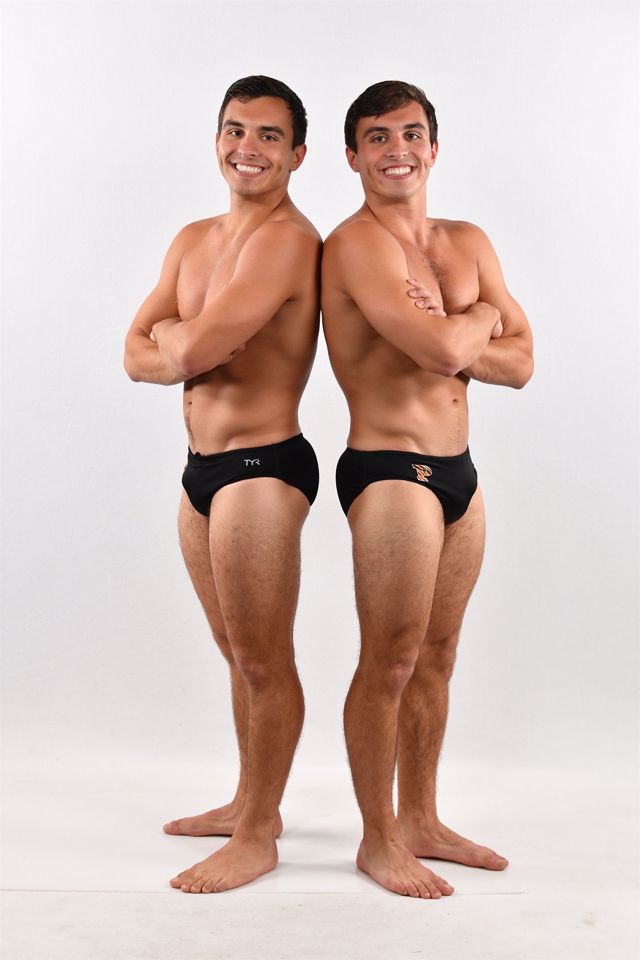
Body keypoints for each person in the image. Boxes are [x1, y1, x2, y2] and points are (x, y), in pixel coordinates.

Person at [321, 80, 533, 899]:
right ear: (352, 157)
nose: (397, 149)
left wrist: (456, 324)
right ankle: (378, 839)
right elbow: (445, 353)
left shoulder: (467, 241)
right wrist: (475, 324)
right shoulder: (355, 245)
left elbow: (522, 362)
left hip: (459, 474)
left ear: (434, 148)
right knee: (393, 660)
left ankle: (420, 817)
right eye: (377, 137)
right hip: (389, 471)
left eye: (411, 134)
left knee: (438, 657)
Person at [123, 75, 322, 894]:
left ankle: (256, 836)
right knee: (236, 653)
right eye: (236, 129)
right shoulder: (192, 238)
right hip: (201, 470)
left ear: (298, 154)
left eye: (270, 135)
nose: (249, 147)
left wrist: (179, 341)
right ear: (216, 139)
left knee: (263, 659)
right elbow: (135, 351)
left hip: (261, 468)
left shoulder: (288, 241)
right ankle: (252, 804)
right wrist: (182, 341)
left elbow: (190, 352)